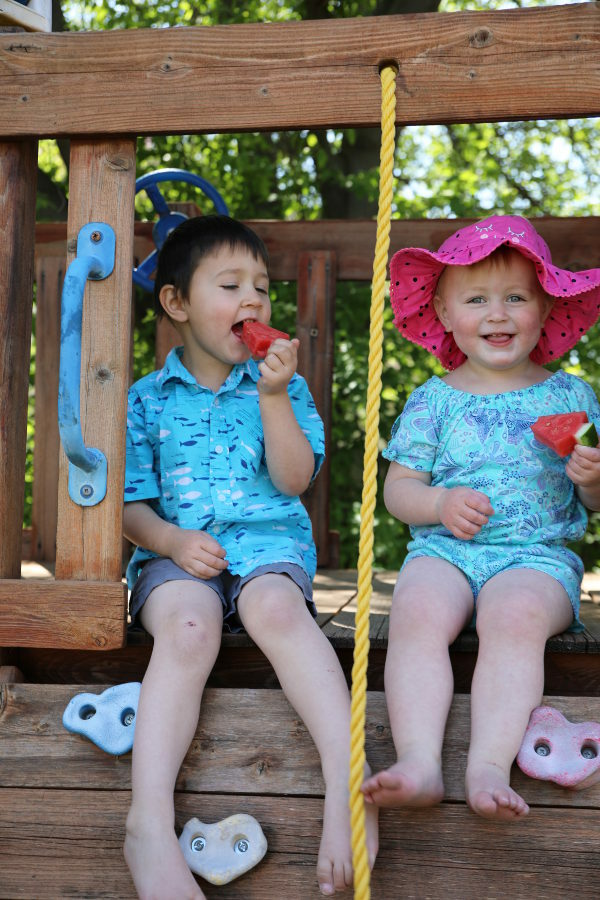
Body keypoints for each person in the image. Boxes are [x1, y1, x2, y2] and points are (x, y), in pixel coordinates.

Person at [122, 215, 378, 899]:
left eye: (262, 288)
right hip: (180, 558)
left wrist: (271, 397)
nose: (254, 302)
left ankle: (346, 784)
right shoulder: (144, 401)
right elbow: (129, 507)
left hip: (268, 548)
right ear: (176, 303)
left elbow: (295, 479)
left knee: (276, 609)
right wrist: (171, 543)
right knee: (186, 628)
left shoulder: (282, 388)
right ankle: (146, 823)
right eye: (230, 284)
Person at [361, 214, 600, 821]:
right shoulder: (433, 399)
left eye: (516, 297)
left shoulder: (570, 396)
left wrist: (594, 480)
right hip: (445, 551)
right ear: (443, 314)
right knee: (414, 610)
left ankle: (488, 764)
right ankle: (418, 761)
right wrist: (438, 503)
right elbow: (399, 490)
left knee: (513, 616)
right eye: (476, 299)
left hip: (537, 559)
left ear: (545, 309)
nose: (498, 314)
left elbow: (597, 503)